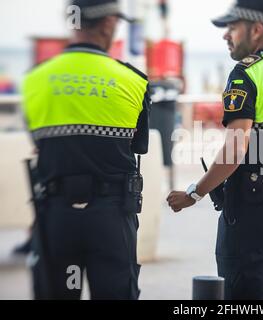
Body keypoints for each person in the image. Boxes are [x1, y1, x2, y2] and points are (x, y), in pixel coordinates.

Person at [167, 0, 263, 300]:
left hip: (256, 214)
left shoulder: (246, 74)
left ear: (256, 30)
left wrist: (193, 194)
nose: (226, 35)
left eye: (232, 27)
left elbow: (235, 150)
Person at [21, 0, 150, 299]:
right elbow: (138, 145)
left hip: (56, 215)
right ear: (107, 23)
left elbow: (40, 143)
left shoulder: (36, 80)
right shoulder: (133, 80)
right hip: (112, 217)